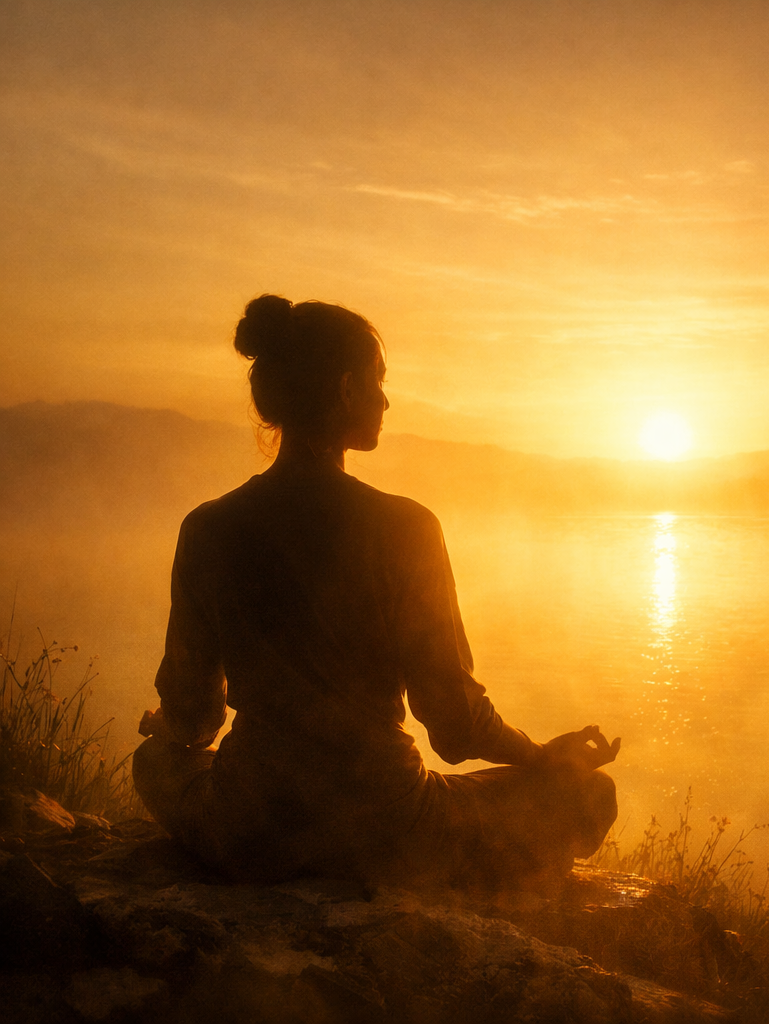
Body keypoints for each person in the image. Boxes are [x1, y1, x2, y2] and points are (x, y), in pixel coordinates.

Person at [133, 294, 619, 889]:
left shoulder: (209, 527)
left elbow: (193, 717)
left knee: (153, 763)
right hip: (389, 831)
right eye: (377, 380)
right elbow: (456, 724)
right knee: (587, 792)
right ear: (344, 389)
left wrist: (165, 727)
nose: (386, 399)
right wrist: (545, 757)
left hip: (253, 829)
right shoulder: (407, 528)